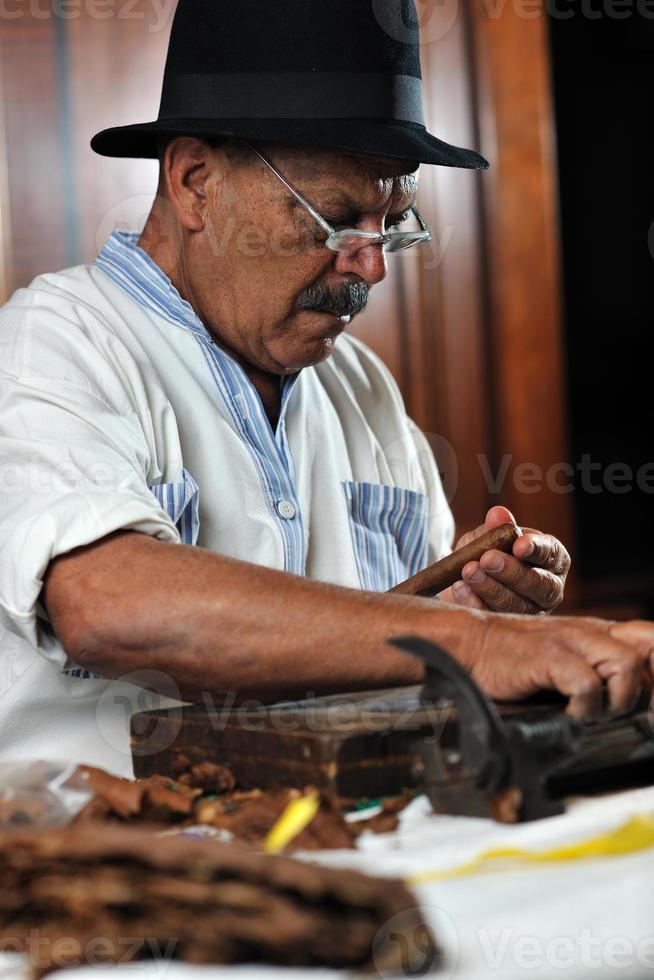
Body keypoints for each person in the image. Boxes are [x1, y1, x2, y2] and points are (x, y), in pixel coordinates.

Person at [0, 0, 651, 777]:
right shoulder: (53, 344)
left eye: (392, 225)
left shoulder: (360, 386)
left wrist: (484, 614)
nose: (372, 267)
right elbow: (110, 607)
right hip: (115, 872)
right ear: (196, 181)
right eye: (337, 221)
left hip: (347, 846)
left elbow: (405, 641)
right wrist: (474, 645)